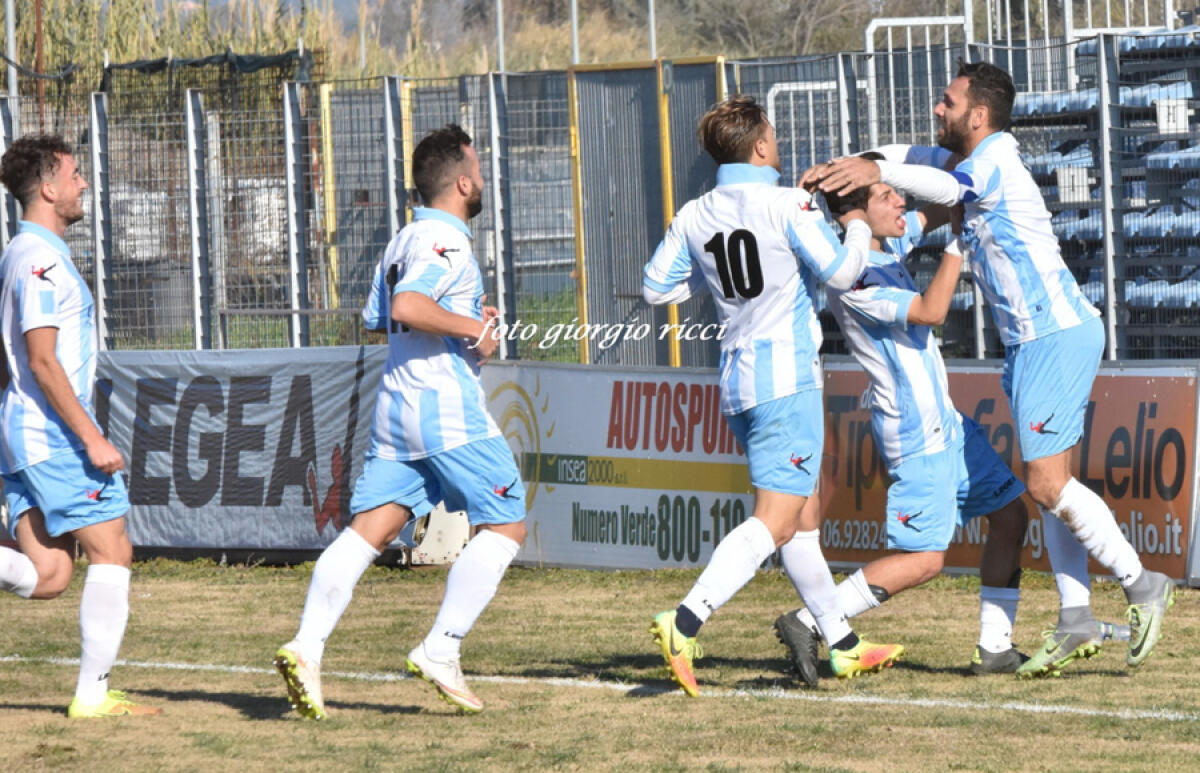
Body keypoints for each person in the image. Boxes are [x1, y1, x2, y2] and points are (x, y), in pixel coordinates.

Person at [804, 61, 1174, 677]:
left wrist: (878, 174)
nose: (936, 111)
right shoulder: (964, 158)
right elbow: (911, 158)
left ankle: (1142, 584)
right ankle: (1075, 616)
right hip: (1034, 342)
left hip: (1052, 333)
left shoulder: (992, 161)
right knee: (1049, 490)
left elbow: (947, 194)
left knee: (1046, 485)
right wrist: (856, 164)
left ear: (977, 115)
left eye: (946, 103)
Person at [642, 96, 903, 698]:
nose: (779, 144)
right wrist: (859, 226)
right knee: (777, 520)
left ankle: (840, 644)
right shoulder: (788, 204)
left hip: (738, 381)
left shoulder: (695, 213)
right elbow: (841, 273)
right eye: (775, 136)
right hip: (787, 382)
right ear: (760, 146)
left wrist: (709, 282)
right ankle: (684, 621)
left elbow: (656, 290)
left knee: (803, 521)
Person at [275, 124, 524, 717]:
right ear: (463, 182)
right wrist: (472, 328)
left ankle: (306, 647)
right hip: (445, 411)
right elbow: (408, 307)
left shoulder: (404, 239)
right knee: (508, 524)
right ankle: (441, 647)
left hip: (397, 410)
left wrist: (465, 322)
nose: (483, 178)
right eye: (479, 169)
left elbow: (380, 319)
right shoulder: (450, 244)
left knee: (371, 531)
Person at [774, 163, 1033, 686]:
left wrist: (966, 189)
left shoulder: (887, 245)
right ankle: (808, 620)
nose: (900, 206)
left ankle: (995, 647)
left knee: (1011, 516)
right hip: (916, 436)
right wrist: (960, 242)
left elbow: (936, 207)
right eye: (888, 197)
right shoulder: (855, 280)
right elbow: (933, 310)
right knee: (924, 559)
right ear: (856, 217)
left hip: (950, 426)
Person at [0, 135, 160, 718]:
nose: (82, 183)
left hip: (24, 432)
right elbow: (40, 359)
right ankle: (92, 696)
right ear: (47, 188)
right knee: (113, 549)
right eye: (73, 174)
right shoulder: (38, 260)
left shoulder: (24, 254)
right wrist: (90, 437)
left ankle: (94, 692)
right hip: (53, 435)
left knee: (49, 574)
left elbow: (7, 359)